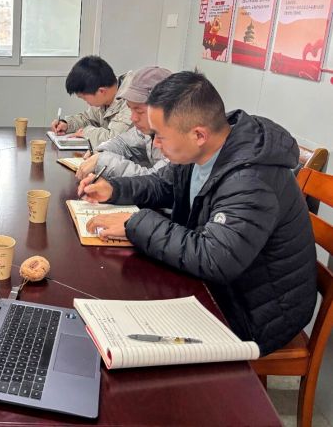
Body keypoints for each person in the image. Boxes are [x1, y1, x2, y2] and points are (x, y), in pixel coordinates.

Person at [78, 71, 316, 355]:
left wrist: (135, 223)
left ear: (199, 134)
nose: (155, 144)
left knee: (128, 332)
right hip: (221, 286)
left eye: (160, 136)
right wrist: (114, 189)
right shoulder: (205, 150)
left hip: (257, 312)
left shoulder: (251, 180)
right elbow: (162, 184)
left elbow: (215, 258)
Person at [75, 66, 172, 180]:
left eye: (139, 111)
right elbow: (122, 142)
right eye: (130, 109)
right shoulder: (147, 129)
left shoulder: (179, 139)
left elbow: (155, 181)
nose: (133, 118)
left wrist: (103, 161)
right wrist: (100, 152)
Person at [50, 56, 133, 145]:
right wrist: (67, 125)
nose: (87, 102)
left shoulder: (132, 100)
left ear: (101, 91)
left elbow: (115, 140)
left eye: (85, 98)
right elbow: (88, 119)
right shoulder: (106, 96)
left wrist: (86, 132)